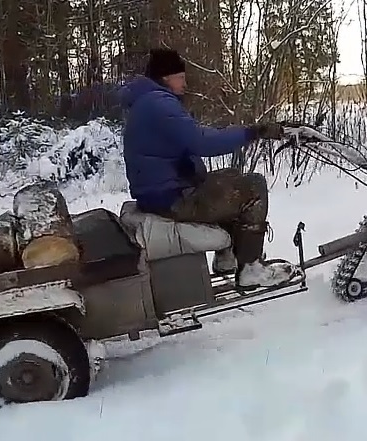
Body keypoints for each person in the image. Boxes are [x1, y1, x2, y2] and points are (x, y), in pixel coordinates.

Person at [118, 48, 300, 288]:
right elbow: (202, 141)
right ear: (166, 78)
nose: (185, 83)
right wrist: (253, 132)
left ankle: (228, 258)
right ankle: (251, 269)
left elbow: (188, 139)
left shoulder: (146, 102)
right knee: (254, 186)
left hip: (159, 192)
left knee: (230, 177)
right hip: (171, 198)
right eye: (180, 77)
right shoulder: (159, 103)